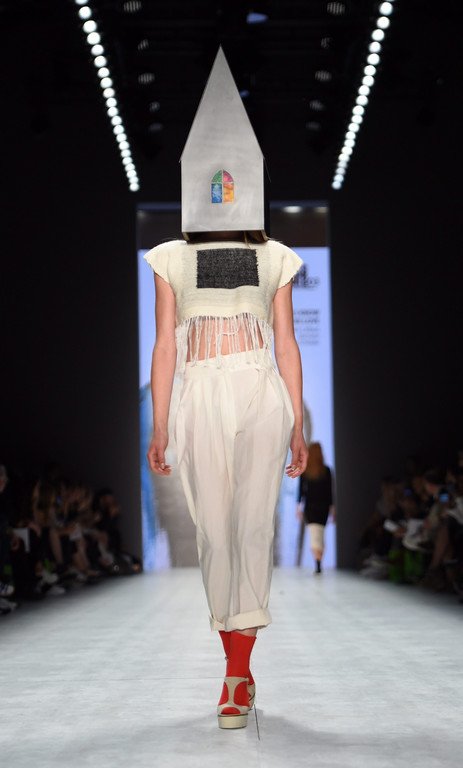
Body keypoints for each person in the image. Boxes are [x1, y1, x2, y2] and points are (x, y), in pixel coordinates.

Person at [144, 48, 308, 730]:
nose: (220, 190)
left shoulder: (275, 256)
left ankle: (236, 676)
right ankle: (235, 661)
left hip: (259, 389)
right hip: (200, 392)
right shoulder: (169, 257)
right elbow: (164, 343)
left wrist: (299, 425)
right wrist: (159, 425)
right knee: (213, 529)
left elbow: (286, 342)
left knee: (252, 525)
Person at [297, 442, 334, 573]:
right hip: (323, 508)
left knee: (314, 534)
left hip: (310, 508)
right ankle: (318, 562)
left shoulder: (306, 471)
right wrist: (332, 508)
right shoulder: (326, 471)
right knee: (320, 534)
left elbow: (301, 492)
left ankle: (318, 562)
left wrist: (298, 507)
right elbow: (329, 492)